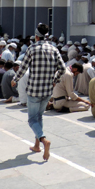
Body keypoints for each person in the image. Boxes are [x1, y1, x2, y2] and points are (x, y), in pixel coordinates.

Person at [11, 24, 64, 161]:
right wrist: (55, 80)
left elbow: (23, 68)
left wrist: (15, 79)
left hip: (34, 90)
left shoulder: (32, 48)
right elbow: (63, 69)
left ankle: (43, 140)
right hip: (47, 90)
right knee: (39, 117)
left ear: (36, 36)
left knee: (32, 119)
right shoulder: (53, 49)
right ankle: (36, 145)